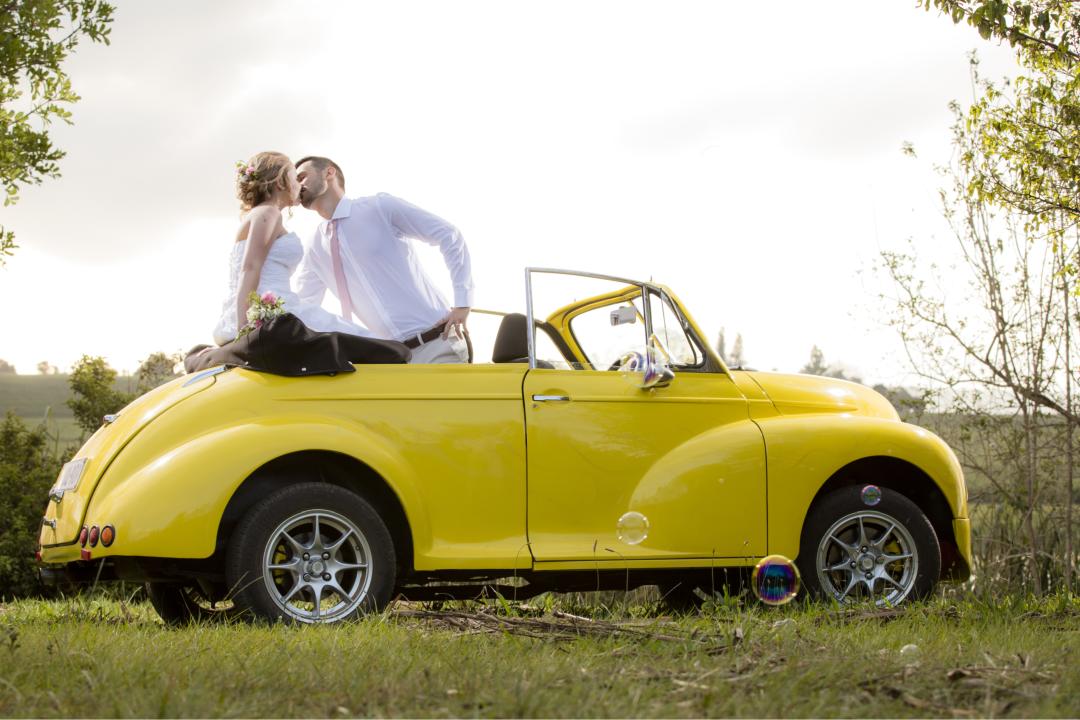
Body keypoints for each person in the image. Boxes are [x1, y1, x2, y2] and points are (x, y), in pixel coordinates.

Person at [293, 156, 474, 364]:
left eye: (302, 177)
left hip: (437, 343)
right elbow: (304, 306)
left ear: (329, 172)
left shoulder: (379, 207)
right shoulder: (314, 247)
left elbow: (449, 235)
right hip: (388, 361)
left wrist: (463, 302)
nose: (298, 185)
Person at [212, 152, 371, 346]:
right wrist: (244, 327)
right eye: (295, 178)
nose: (300, 185)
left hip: (267, 306)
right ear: (280, 183)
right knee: (368, 341)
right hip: (270, 312)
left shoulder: (262, 214)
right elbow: (250, 267)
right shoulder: (269, 212)